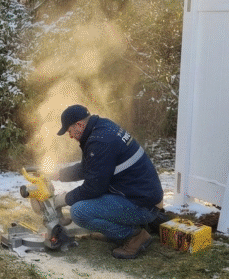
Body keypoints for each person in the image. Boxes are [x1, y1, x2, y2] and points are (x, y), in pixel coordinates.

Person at [52, 104, 163, 259]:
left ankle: (134, 237)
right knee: (89, 203)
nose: (70, 137)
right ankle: (114, 231)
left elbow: (93, 188)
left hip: (143, 205)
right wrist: (61, 174)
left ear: (79, 125)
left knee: (79, 212)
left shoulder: (100, 141)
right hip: (140, 196)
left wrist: (62, 199)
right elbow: (92, 166)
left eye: (70, 131)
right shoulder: (102, 128)